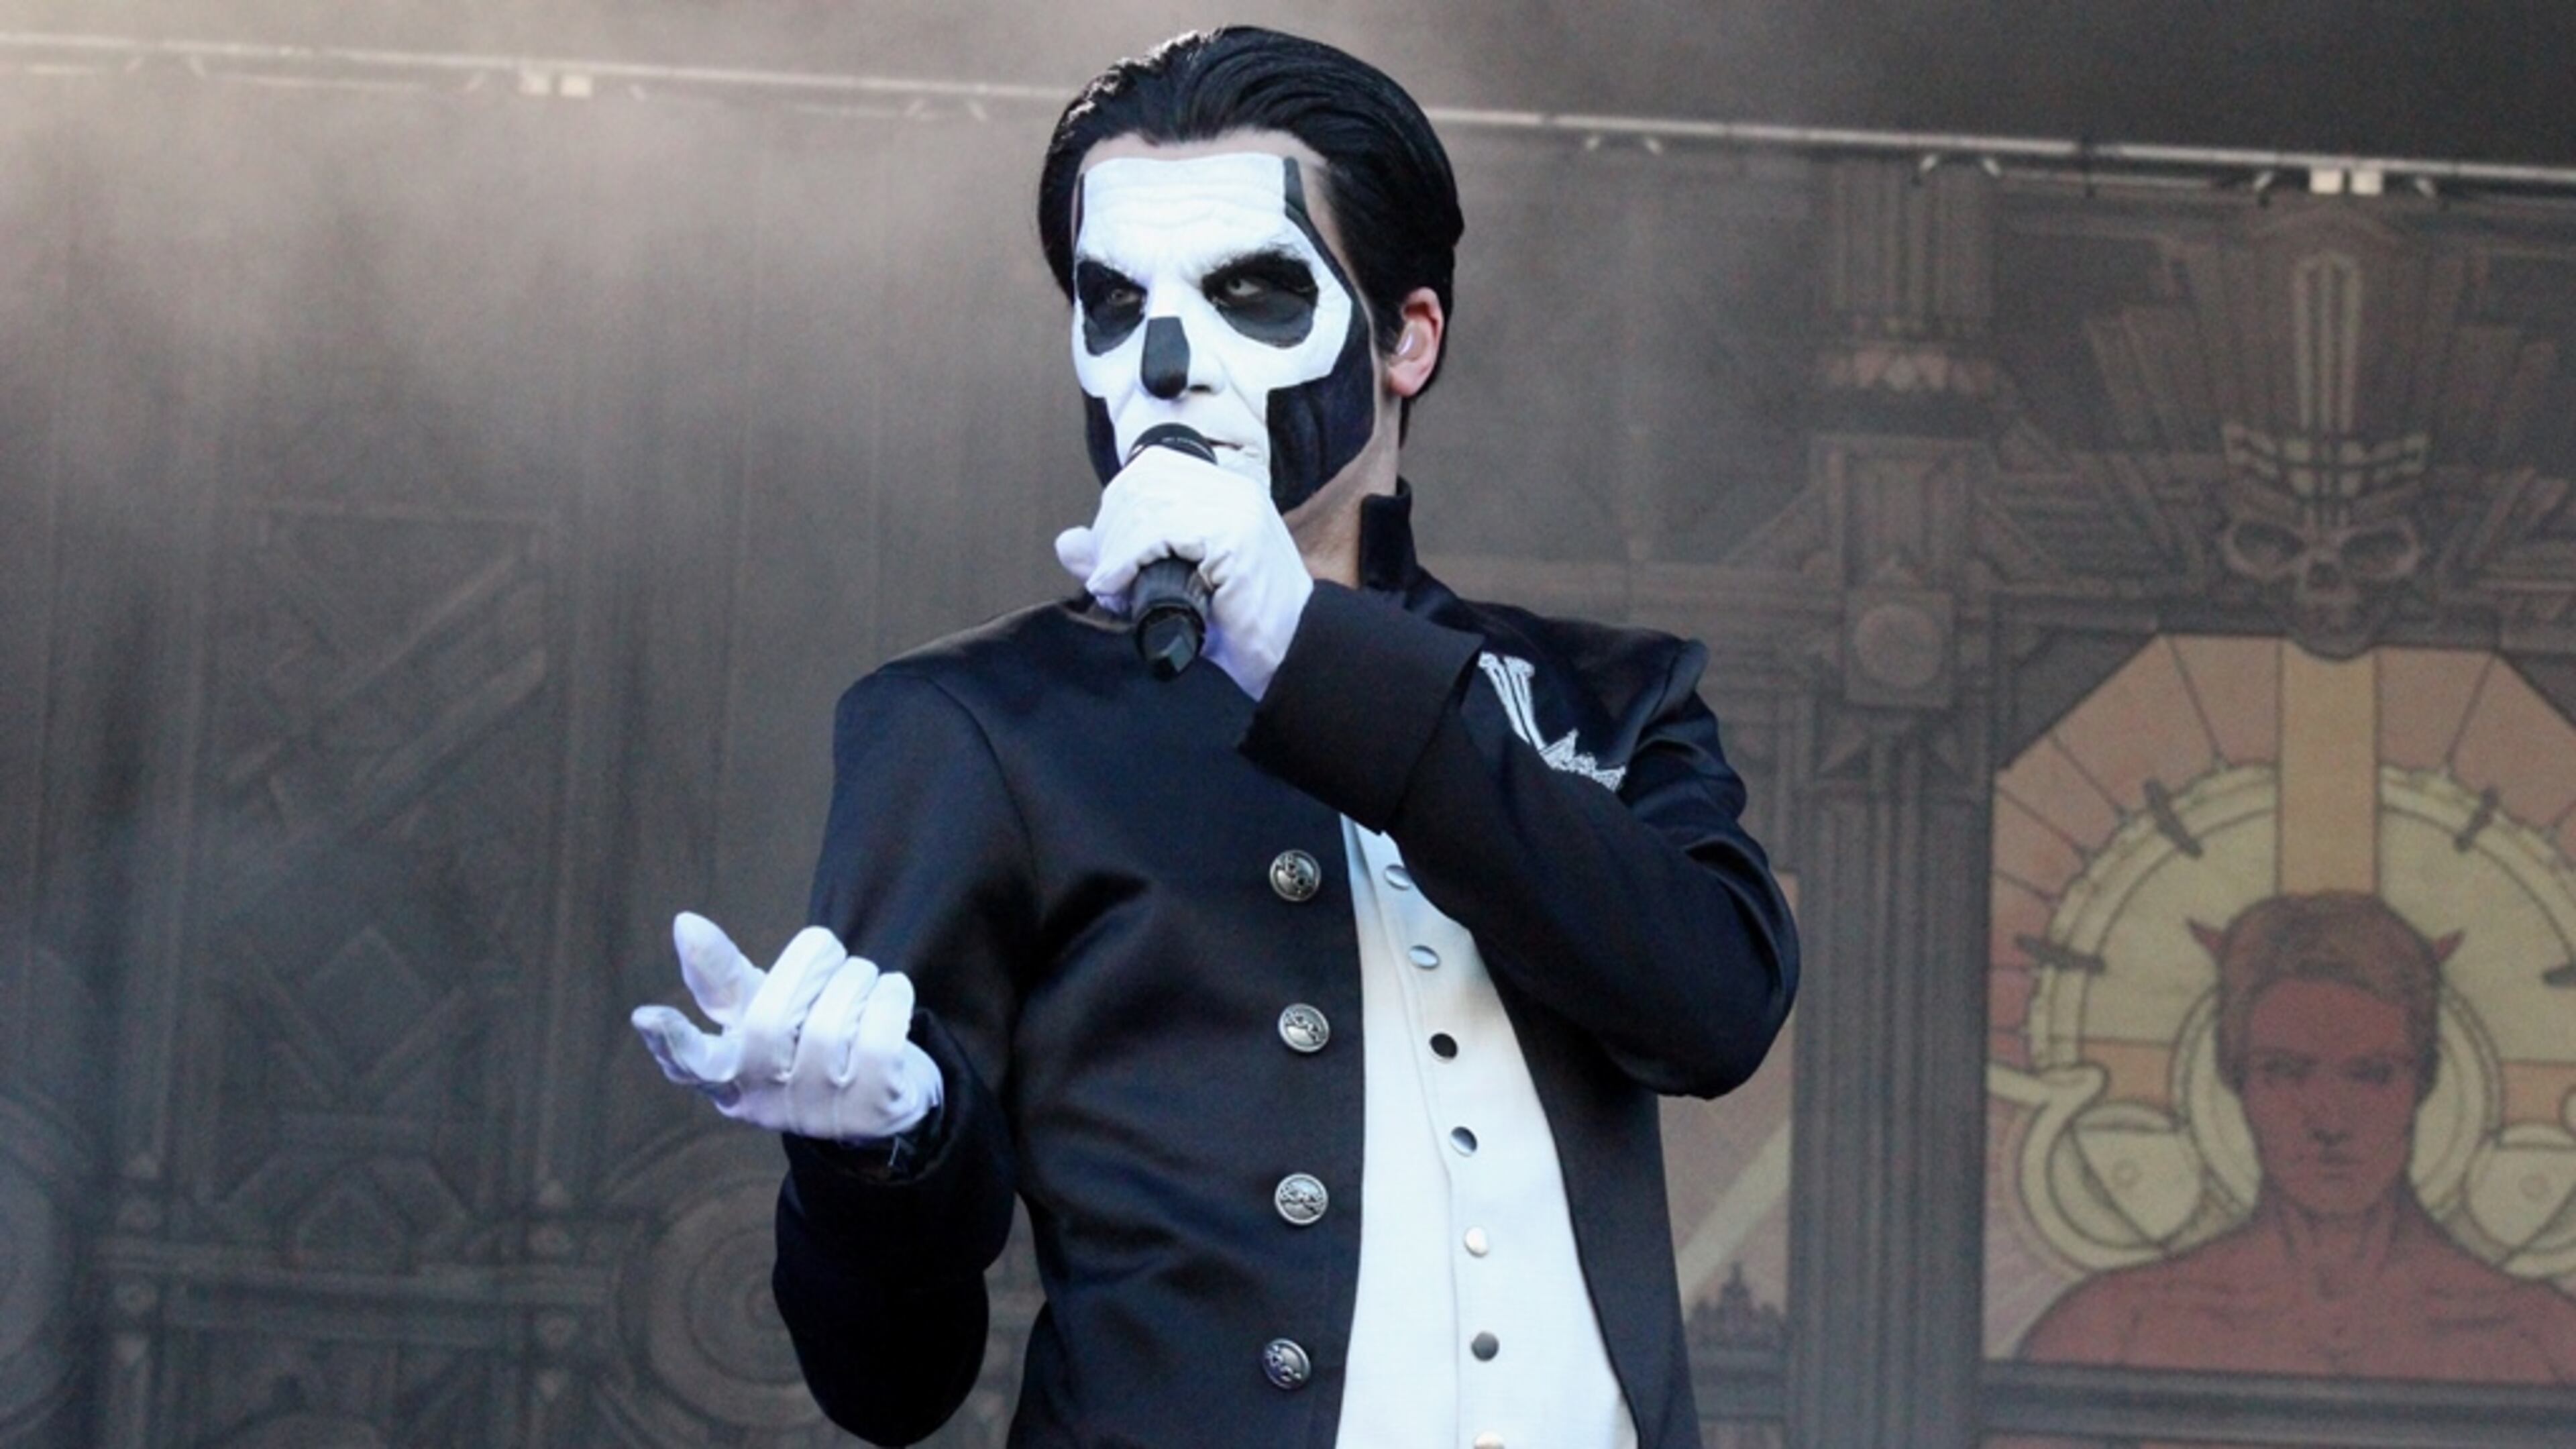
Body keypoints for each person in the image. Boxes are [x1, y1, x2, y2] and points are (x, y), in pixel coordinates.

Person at [629, 27, 1797, 1448]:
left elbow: (1715, 1010)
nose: (1167, 363)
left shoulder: (1604, 694)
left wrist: (1306, 650)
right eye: (1115, 304)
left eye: (1251, 290)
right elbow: (890, 1390)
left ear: (1409, 337)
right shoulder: (983, 725)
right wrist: (877, 1160)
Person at [2018, 892, 2576, 1385]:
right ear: (2236, 1077)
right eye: (2285, 1073)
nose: (2330, 1121)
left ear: (2423, 1081)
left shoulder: (2545, 1344)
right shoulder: (2114, 1333)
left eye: (2371, 1074)